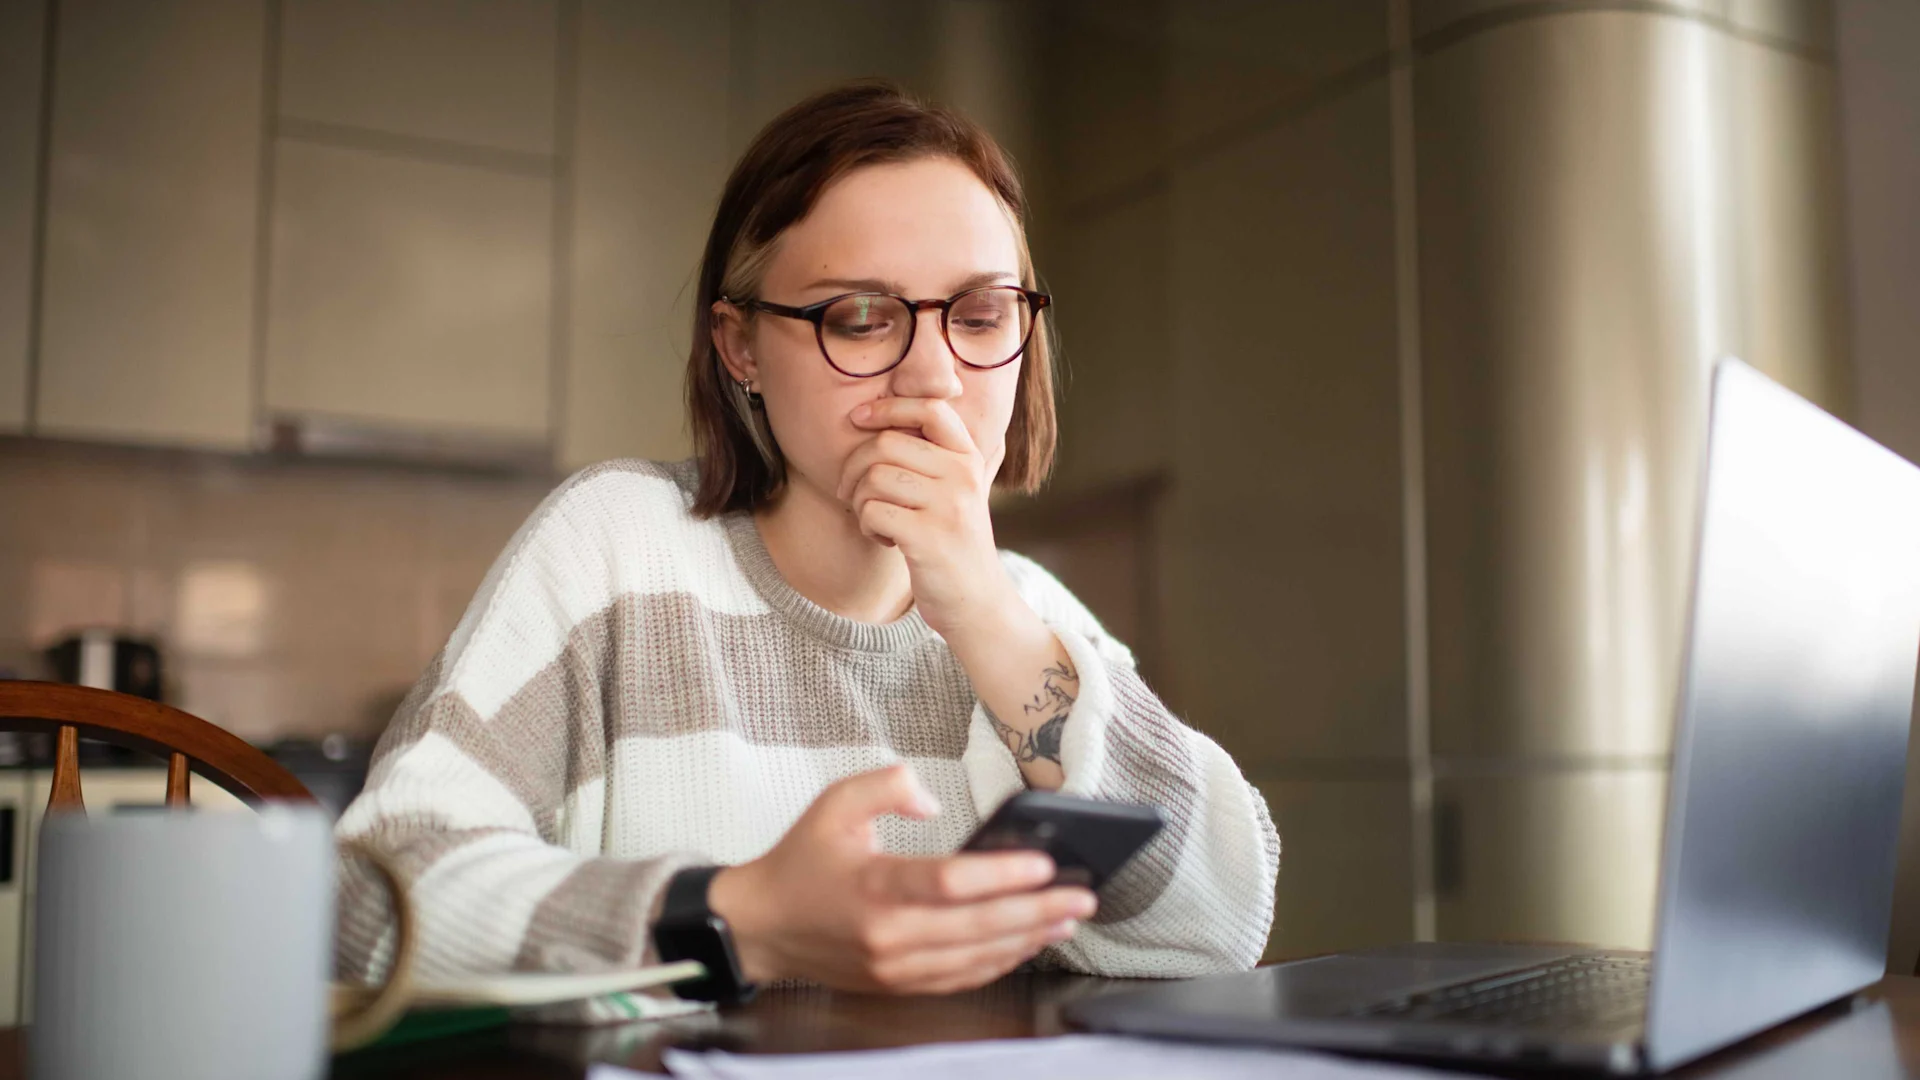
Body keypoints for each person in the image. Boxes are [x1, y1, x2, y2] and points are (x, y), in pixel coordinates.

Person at [335, 80, 1279, 1008]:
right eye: (859, 318)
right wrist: (740, 917)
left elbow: (1220, 924)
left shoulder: (1026, 613)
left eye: (981, 315)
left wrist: (988, 617)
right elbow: (363, 902)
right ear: (741, 348)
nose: (933, 376)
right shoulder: (617, 550)